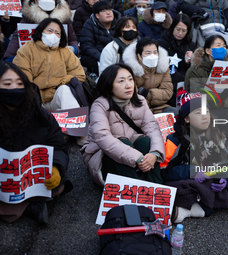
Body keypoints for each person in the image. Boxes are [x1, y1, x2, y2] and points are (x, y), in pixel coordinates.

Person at [0, 62, 72, 224]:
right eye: (7, 84)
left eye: (19, 83)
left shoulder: (40, 114)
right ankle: (30, 208)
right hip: (4, 180)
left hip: (31, 179)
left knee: (58, 186)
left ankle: (17, 208)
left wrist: (55, 167)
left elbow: (59, 146)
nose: (14, 88)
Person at [160, 91, 228, 223]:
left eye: (206, 112)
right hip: (190, 180)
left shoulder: (217, 135)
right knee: (181, 189)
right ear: (186, 118)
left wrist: (224, 180)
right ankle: (217, 204)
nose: (204, 116)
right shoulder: (175, 139)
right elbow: (164, 171)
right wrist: (193, 172)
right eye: (198, 113)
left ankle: (195, 209)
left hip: (210, 179)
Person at [81, 63, 164, 186]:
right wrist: (138, 157)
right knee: (123, 143)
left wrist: (155, 153)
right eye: (121, 81)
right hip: (102, 156)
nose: (128, 85)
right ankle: (133, 191)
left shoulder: (140, 100)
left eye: (130, 79)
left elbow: (153, 128)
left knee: (146, 142)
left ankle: (157, 188)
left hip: (133, 152)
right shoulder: (99, 105)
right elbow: (103, 137)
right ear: (109, 86)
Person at [12, 18, 86, 145]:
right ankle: (59, 132)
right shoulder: (26, 49)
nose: (54, 35)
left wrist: (62, 81)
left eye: (58, 33)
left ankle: (78, 132)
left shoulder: (66, 52)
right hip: (35, 99)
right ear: (41, 31)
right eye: (50, 30)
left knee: (65, 90)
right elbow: (23, 78)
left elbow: (79, 74)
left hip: (55, 98)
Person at [3, 0, 79, 62]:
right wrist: (11, 58)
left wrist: (73, 49)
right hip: (33, 62)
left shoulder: (64, 18)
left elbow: (72, 39)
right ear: (35, 1)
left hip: (59, 61)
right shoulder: (28, 18)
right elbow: (17, 39)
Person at [122, 37, 176, 114]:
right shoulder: (130, 69)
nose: (152, 56)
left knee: (177, 113)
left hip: (159, 107)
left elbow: (168, 92)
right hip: (138, 109)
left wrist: (148, 94)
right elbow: (132, 95)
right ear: (139, 56)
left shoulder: (163, 67)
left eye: (155, 52)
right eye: (148, 53)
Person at [158, 13, 196, 107]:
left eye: (184, 31)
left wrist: (190, 62)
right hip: (167, 84)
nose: (180, 33)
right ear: (172, 28)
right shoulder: (161, 43)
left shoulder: (191, 45)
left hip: (185, 85)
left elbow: (194, 70)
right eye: (178, 29)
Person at [80, 0, 121, 75]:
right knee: (86, 59)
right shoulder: (90, 24)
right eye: (103, 11)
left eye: (109, 9)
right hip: (98, 57)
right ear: (97, 16)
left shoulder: (120, 23)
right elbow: (87, 45)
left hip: (116, 55)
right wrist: (103, 57)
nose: (108, 12)